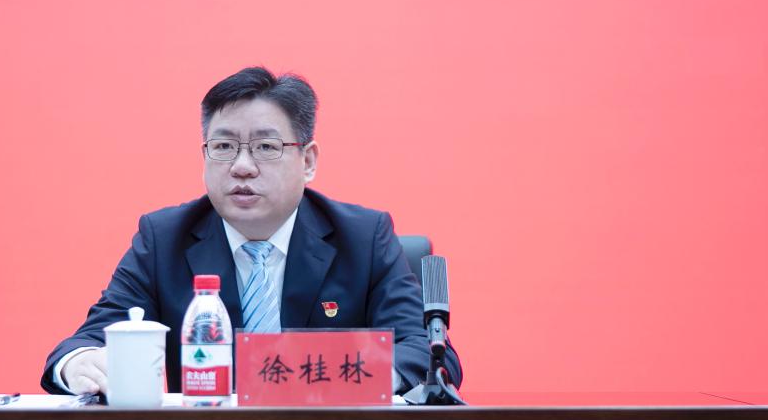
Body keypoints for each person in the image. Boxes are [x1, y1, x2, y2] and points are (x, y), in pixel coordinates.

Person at [41, 67, 462, 396]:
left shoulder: (364, 238)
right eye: (224, 147)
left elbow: (428, 354)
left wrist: (345, 380)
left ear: (308, 161)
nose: (242, 166)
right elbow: (86, 342)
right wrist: (78, 364)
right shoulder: (163, 239)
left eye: (265, 147)